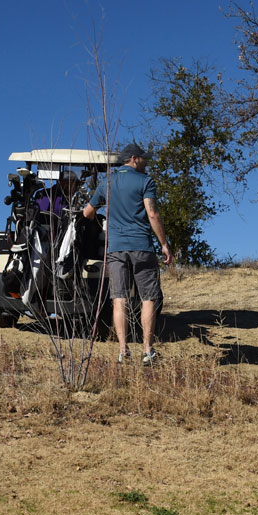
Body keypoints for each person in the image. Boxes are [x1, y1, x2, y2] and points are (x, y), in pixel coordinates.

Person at [82, 143, 172, 365]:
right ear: (133, 159)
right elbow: (152, 213)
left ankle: (123, 351)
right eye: (143, 158)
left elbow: (87, 212)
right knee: (148, 297)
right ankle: (147, 350)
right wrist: (164, 243)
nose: (146, 162)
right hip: (142, 246)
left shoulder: (107, 182)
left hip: (116, 249)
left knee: (119, 299)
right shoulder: (145, 181)